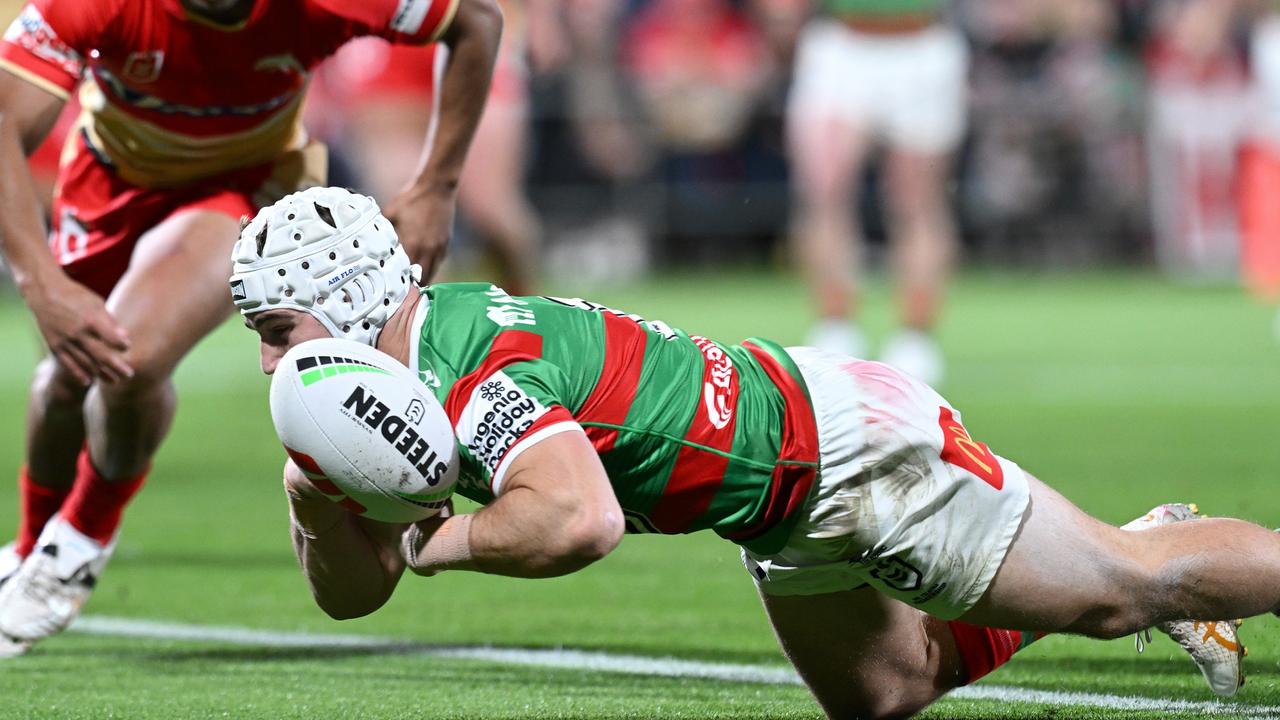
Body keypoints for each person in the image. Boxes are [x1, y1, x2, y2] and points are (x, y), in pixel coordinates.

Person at [232, 187, 1263, 717]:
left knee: (1125, 591)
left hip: (841, 457)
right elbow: (349, 599)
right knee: (883, 694)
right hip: (776, 497)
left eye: (278, 330)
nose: (272, 361)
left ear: (346, 302)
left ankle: (1148, 553)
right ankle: (1141, 539)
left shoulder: (467, 367)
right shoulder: (392, 389)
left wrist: (435, 544)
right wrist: (315, 499)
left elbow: (577, 521)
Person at [0, 0, 502, 656]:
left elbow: (476, 22)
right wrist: (39, 280)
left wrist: (438, 185)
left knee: (128, 355)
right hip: (108, 188)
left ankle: (77, 545)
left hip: (247, 188)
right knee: (67, 382)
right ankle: (32, 547)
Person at [788, 0, 967, 385]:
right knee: (824, 188)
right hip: (842, 41)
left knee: (917, 199)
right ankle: (835, 325)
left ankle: (915, 335)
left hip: (921, 42)